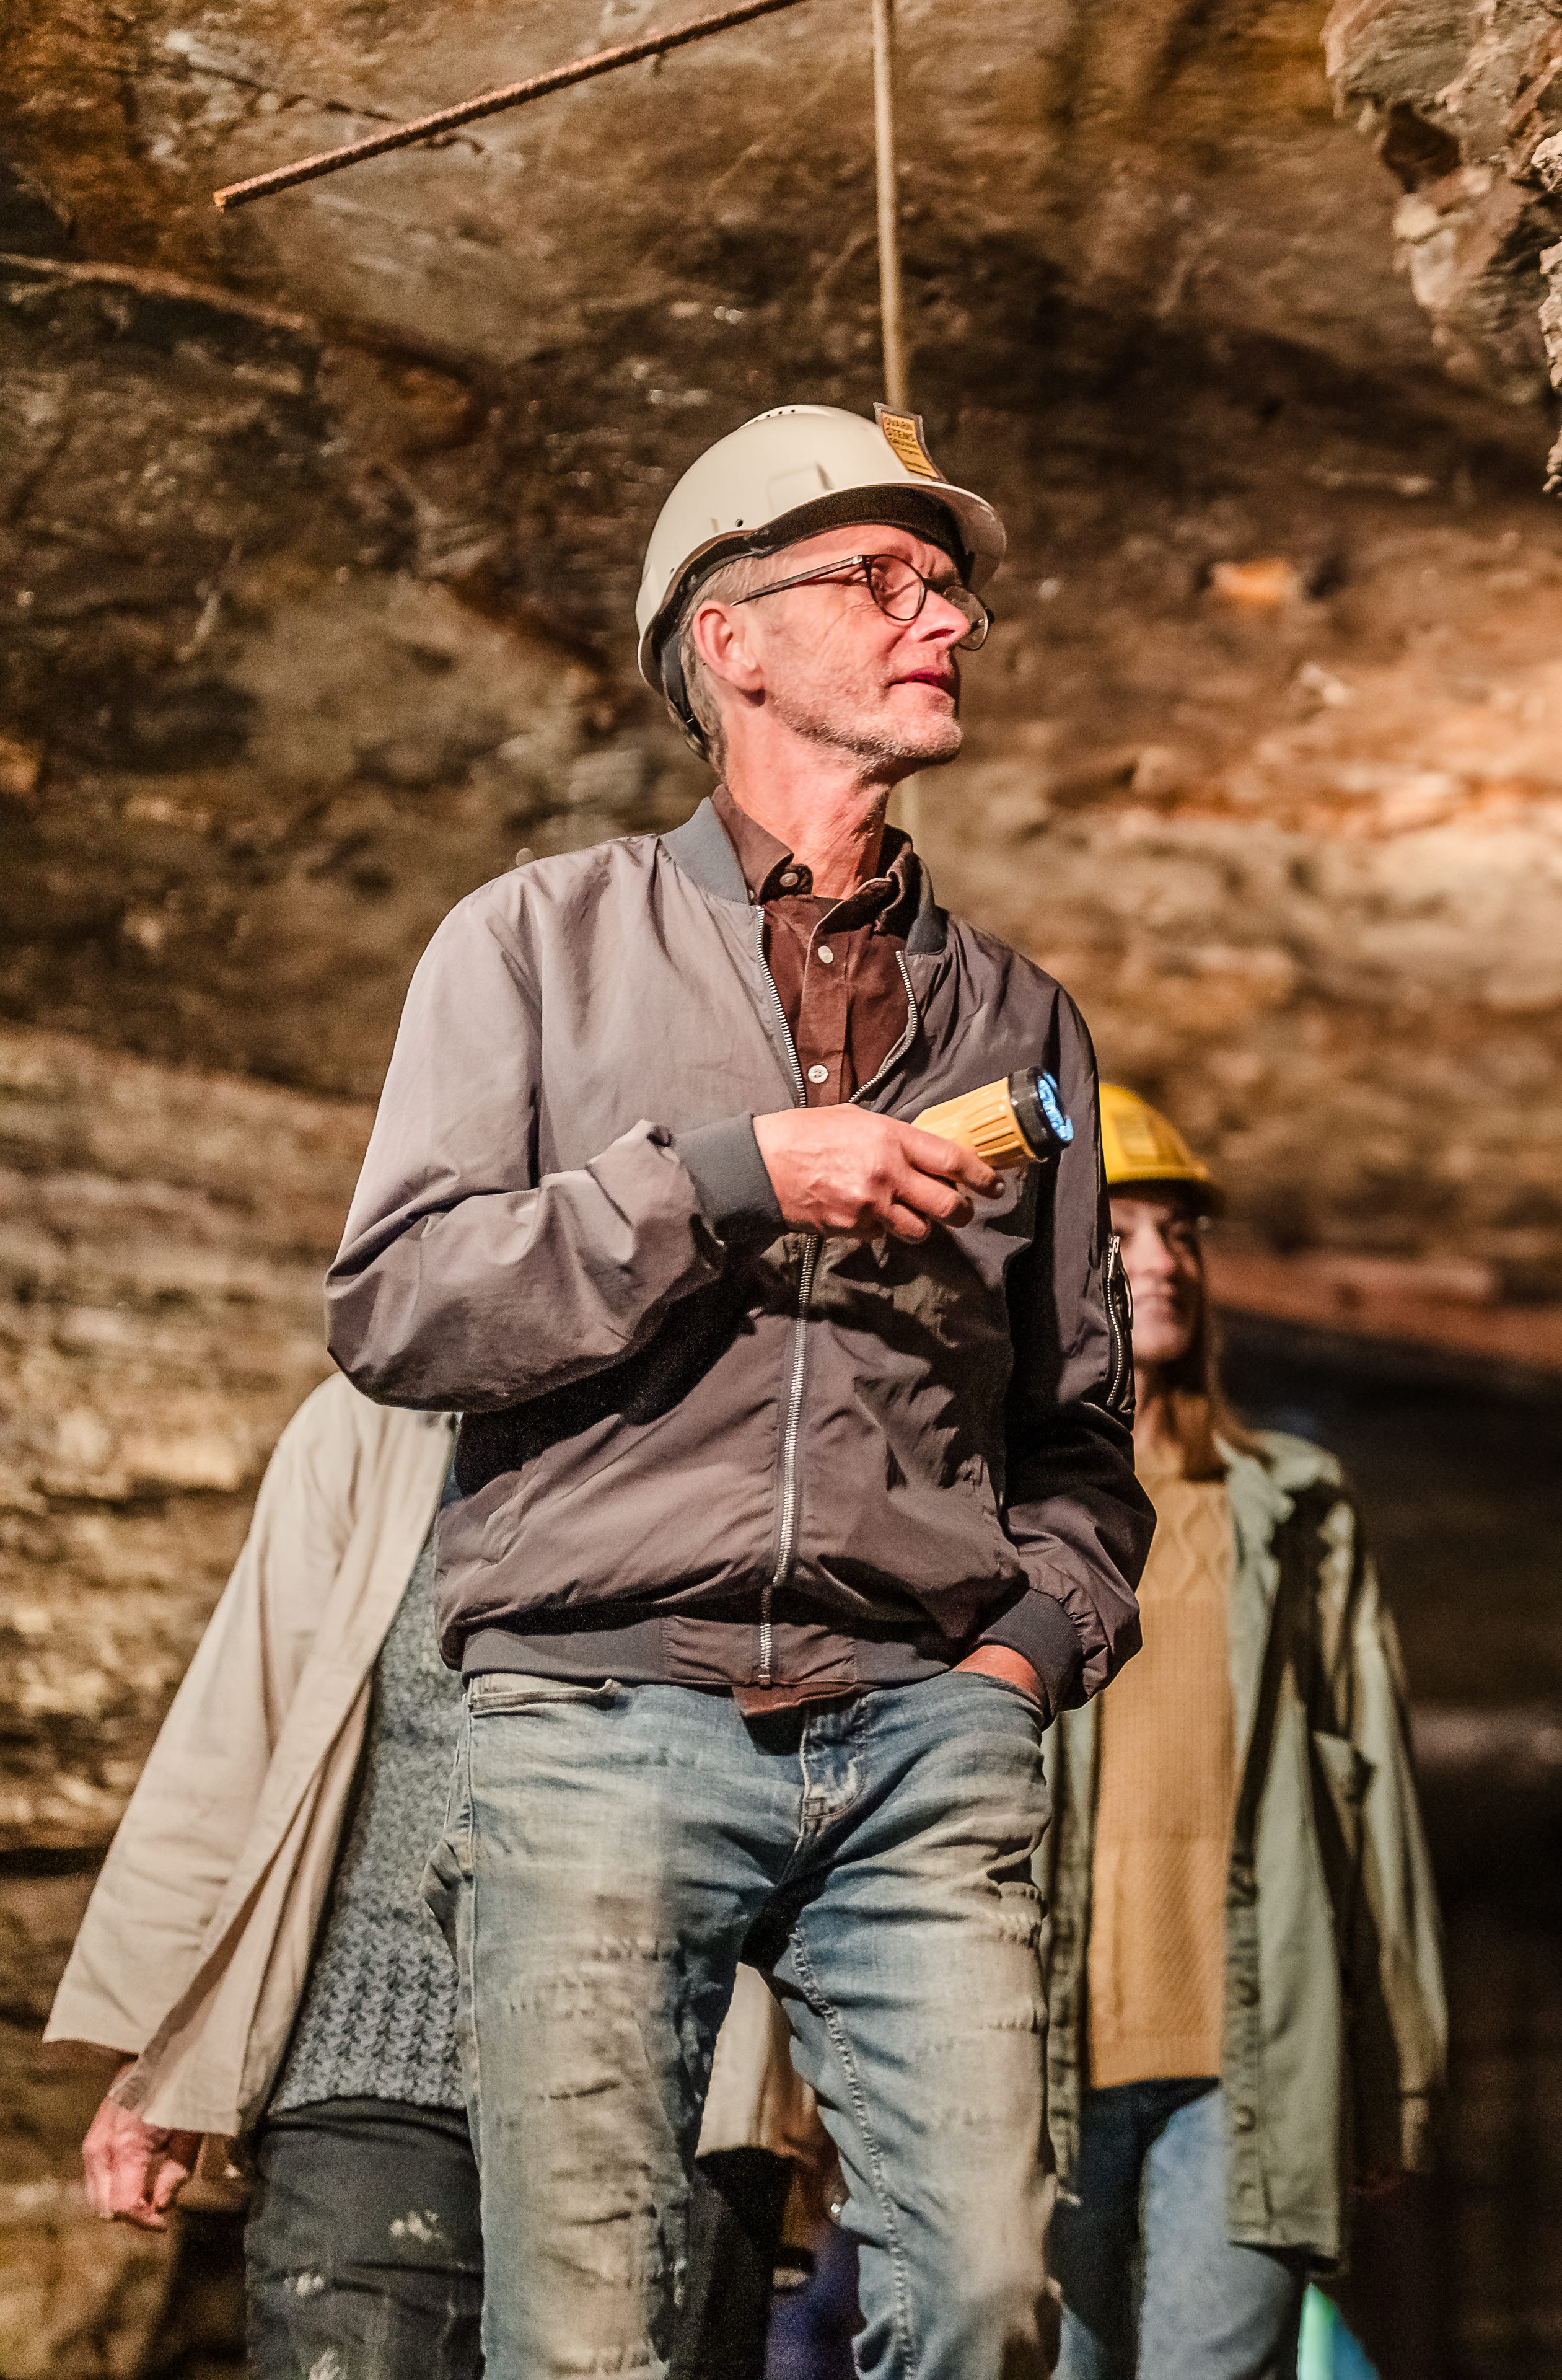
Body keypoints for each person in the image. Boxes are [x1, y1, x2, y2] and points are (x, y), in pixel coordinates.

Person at [323, 401, 1154, 2377]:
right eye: (885, 579)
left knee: (984, 2300)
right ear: (734, 641)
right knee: (593, 2334)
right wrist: (723, 1178)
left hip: (916, 1735)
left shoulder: (1020, 1016)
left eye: (945, 586)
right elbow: (400, 1302)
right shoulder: (534, 940)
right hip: (602, 1718)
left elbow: (1083, 1426)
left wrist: (1023, 1655)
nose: (940, 616)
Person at [48, 1372, 808, 2379]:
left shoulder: (766, 1405)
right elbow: (239, 1724)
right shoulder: (372, 1424)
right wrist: (158, 2050)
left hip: (667, 2077)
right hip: (366, 2060)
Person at [1042, 1086, 1447, 2379]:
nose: (1163, 1262)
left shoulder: (1291, 1505)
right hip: (1029, 2057)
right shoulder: (973, 1501)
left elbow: (1372, 1797)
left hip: (1247, 2060)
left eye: (1180, 1236)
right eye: (1124, 1229)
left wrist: (1398, 2070)